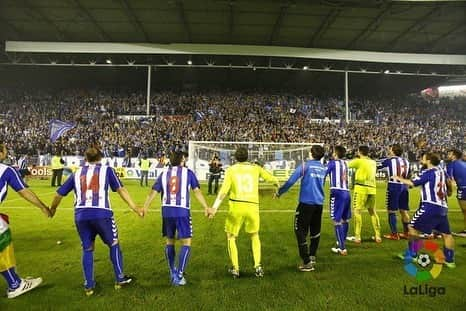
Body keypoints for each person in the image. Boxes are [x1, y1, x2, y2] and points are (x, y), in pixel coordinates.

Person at [50, 146, 141, 296]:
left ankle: (89, 286)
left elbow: (59, 194)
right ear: (100, 158)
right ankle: (120, 279)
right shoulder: (107, 170)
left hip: (81, 216)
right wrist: (135, 207)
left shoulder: (77, 172)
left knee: (87, 248)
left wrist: (52, 209)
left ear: (86, 159)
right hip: (102, 214)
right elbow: (121, 190)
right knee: (113, 244)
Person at [209, 147, 279, 278]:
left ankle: (235, 268)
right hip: (252, 207)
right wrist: (277, 184)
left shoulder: (231, 170)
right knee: (254, 235)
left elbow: (223, 191)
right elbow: (271, 178)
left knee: (231, 237)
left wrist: (214, 207)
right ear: (248, 157)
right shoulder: (255, 168)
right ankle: (258, 267)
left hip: (236, 206)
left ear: (235, 158)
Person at [142, 151, 210, 286]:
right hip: (182, 211)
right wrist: (206, 207)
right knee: (186, 243)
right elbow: (197, 191)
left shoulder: (164, 173)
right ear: (182, 160)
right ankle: (179, 276)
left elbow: (153, 191)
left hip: (166, 210)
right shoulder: (188, 173)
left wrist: (145, 207)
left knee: (169, 241)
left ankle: (172, 270)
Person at [0, 143, 51, 299]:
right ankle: (15, 284)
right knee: (3, 243)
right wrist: (43, 207)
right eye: (5, 151)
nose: (6, 154)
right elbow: (25, 191)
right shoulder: (6, 170)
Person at [394, 152, 456, 268]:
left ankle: (412, 255)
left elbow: (413, 183)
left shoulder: (428, 172)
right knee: (446, 234)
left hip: (430, 206)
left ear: (428, 161)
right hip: (443, 207)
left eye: (423, 158)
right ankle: (450, 260)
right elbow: (449, 183)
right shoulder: (442, 171)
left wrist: (399, 178)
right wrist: (450, 192)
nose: (421, 159)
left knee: (412, 227)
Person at [275, 145, 326, 271]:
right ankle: (312, 255)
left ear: (311, 153)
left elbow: (291, 181)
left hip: (306, 204)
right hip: (319, 204)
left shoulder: (305, 166)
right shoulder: (323, 168)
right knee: (315, 231)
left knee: (300, 231)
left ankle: (307, 262)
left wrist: (279, 192)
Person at [348, 146, 381, 244]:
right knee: (373, 212)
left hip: (361, 189)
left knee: (357, 212)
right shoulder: (373, 162)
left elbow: (347, 165)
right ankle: (378, 235)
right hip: (372, 190)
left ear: (359, 152)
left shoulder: (359, 161)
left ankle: (357, 237)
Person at [378, 144, 410, 240]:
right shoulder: (406, 161)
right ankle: (407, 233)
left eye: (390, 149)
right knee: (403, 211)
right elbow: (409, 176)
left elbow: (375, 165)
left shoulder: (389, 161)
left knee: (391, 211)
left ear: (393, 151)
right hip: (404, 187)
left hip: (394, 186)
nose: (389, 151)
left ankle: (394, 234)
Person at [325, 146, 351, 256]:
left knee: (336, 220)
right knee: (345, 219)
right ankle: (342, 241)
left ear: (335, 153)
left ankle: (342, 248)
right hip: (347, 192)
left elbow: (323, 174)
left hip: (337, 193)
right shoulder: (345, 164)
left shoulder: (332, 163)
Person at [447, 149, 466, 237]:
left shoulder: (451, 164)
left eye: (449, 153)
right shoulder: (463, 163)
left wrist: (450, 191)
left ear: (454, 156)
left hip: (462, 189)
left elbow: (449, 180)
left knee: (464, 210)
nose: (448, 155)